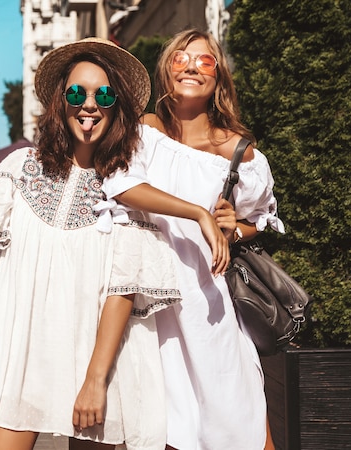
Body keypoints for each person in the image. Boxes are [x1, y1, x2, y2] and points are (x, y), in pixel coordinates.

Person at [0, 37, 229, 450]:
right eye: (77, 92)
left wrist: (95, 381)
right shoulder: (23, 167)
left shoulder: (126, 185)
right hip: (23, 359)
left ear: (116, 106)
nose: (89, 104)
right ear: (62, 102)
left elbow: (123, 288)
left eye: (102, 94)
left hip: (98, 368)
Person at [101, 29, 284, 449]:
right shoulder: (145, 130)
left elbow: (258, 220)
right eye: (180, 58)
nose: (191, 67)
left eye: (205, 61)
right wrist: (198, 212)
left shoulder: (240, 151)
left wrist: (232, 227)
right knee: (164, 426)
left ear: (218, 77)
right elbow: (121, 185)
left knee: (237, 421)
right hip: (147, 302)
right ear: (165, 72)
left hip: (208, 307)